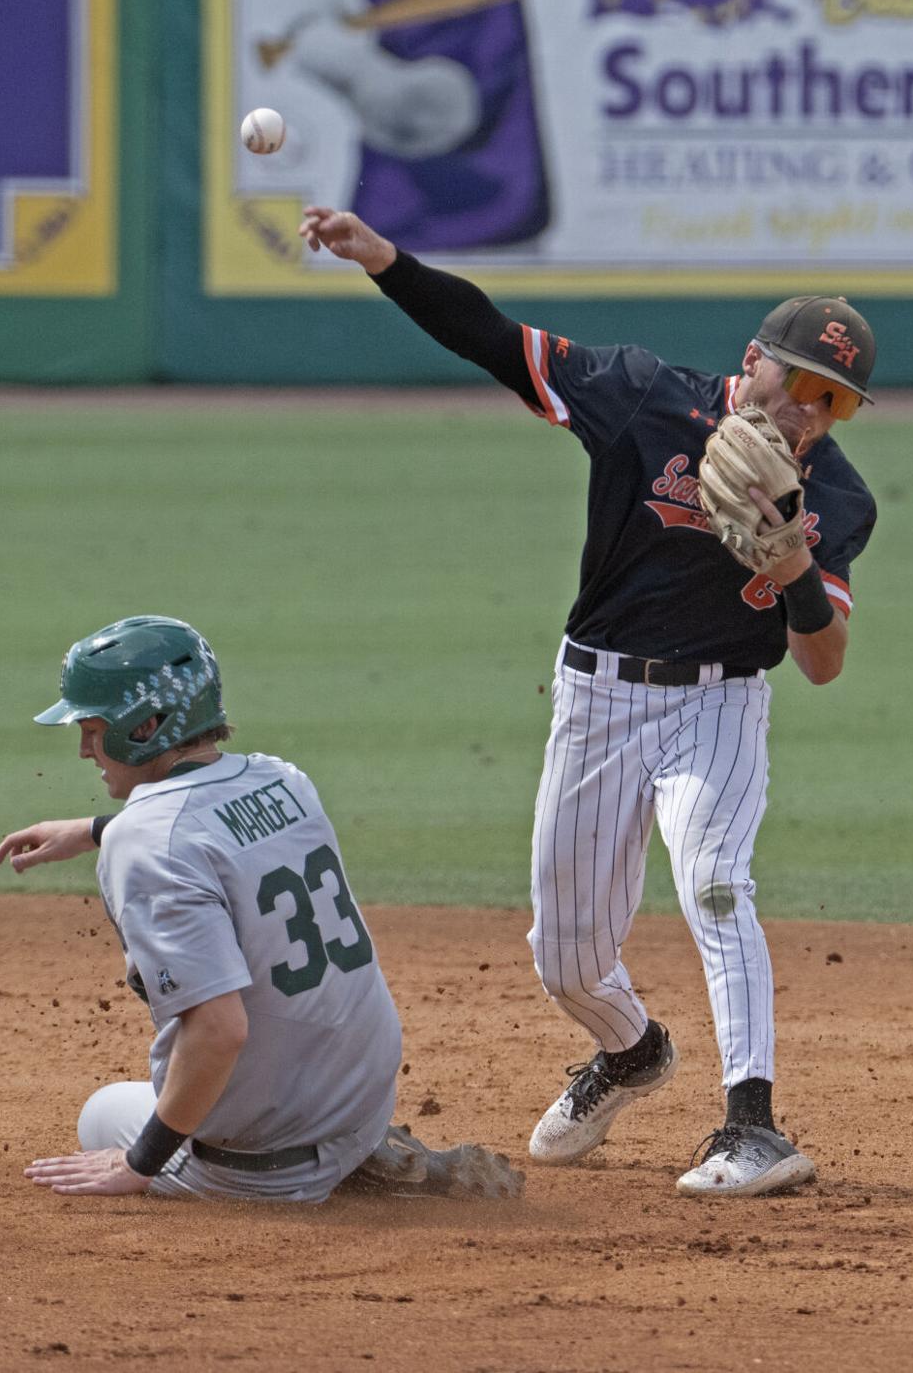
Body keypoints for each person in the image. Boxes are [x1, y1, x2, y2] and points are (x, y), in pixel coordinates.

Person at [297, 206, 879, 1197]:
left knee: (714, 878)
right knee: (565, 959)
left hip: (719, 709)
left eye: (839, 403)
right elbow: (493, 339)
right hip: (596, 699)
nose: (812, 416)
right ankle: (632, 1050)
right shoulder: (643, 398)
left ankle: (753, 1125)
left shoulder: (838, 500)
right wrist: (385, 260)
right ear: (755, 362)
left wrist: (794, 568)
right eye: (804, 388)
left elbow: (822, 661)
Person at [0, 614, 522, 1204]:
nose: (85, 749)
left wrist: (138, 1165)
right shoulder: (284, 779)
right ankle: (364, 1153)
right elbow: (211, 835)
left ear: (144, 727)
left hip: (263, 1167)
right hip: (361, 1104)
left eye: (93, 728)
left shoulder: (143, 843)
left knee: (100, 1117)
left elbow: (219, 1032)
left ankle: (301, 1171)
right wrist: (95, 829)